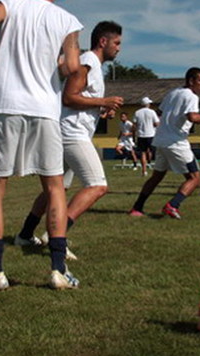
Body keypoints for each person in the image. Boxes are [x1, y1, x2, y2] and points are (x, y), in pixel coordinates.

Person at [0, 0, 82, 291]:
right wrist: (54, 68)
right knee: (54, 188)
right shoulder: (67, 20)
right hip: (44, 109)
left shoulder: (11, 2)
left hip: (4, 103)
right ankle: (58, 270)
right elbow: (73, 66)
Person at [14, 21, 124, 260]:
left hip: (67, 131)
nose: (119, 48)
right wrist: (103, 102)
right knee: (97, 185)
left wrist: (101, 109)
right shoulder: (88, 63)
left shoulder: (92, 65)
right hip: (71, 134)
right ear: (103, 42)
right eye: (116, 43)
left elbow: (80, 100)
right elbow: (68, 97)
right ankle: (57, 237)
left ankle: (24, 234)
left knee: (57, 189)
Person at [128, 67, 200, 219]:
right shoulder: (191, 96)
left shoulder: (173, 93)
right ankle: (172, 205)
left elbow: (162, 112)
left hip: (161, 141)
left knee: (156, 176)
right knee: (195, 178)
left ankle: (137, 208)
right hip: (176, 142)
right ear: (191, 81)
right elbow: (192, 117)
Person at [133, 97, 160, 176]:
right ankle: (157, 168)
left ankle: (144, 170)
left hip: (141, 135)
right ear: (148, 104)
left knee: (142, 153)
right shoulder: (152, 112)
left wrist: (134, 135)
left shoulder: (137, 112)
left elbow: (134, 125)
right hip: (151, 134)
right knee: (154, 151)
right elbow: (157, 123)